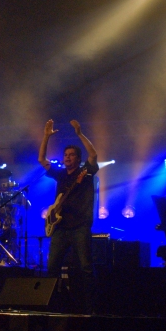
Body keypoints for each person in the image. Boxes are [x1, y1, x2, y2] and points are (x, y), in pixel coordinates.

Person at [38, 119, 99, 313]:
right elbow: (41, 160)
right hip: (61, 228)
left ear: (78, 158)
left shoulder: (85, 172)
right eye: (65, 155)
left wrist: (79, 133)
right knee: (52, 268)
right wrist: (46, 136)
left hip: (80, 226)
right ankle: (51, 305)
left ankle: (90, 308)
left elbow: (94, 154)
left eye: (72, 155)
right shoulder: (60, 174)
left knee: (86, 268)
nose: (67, 157)